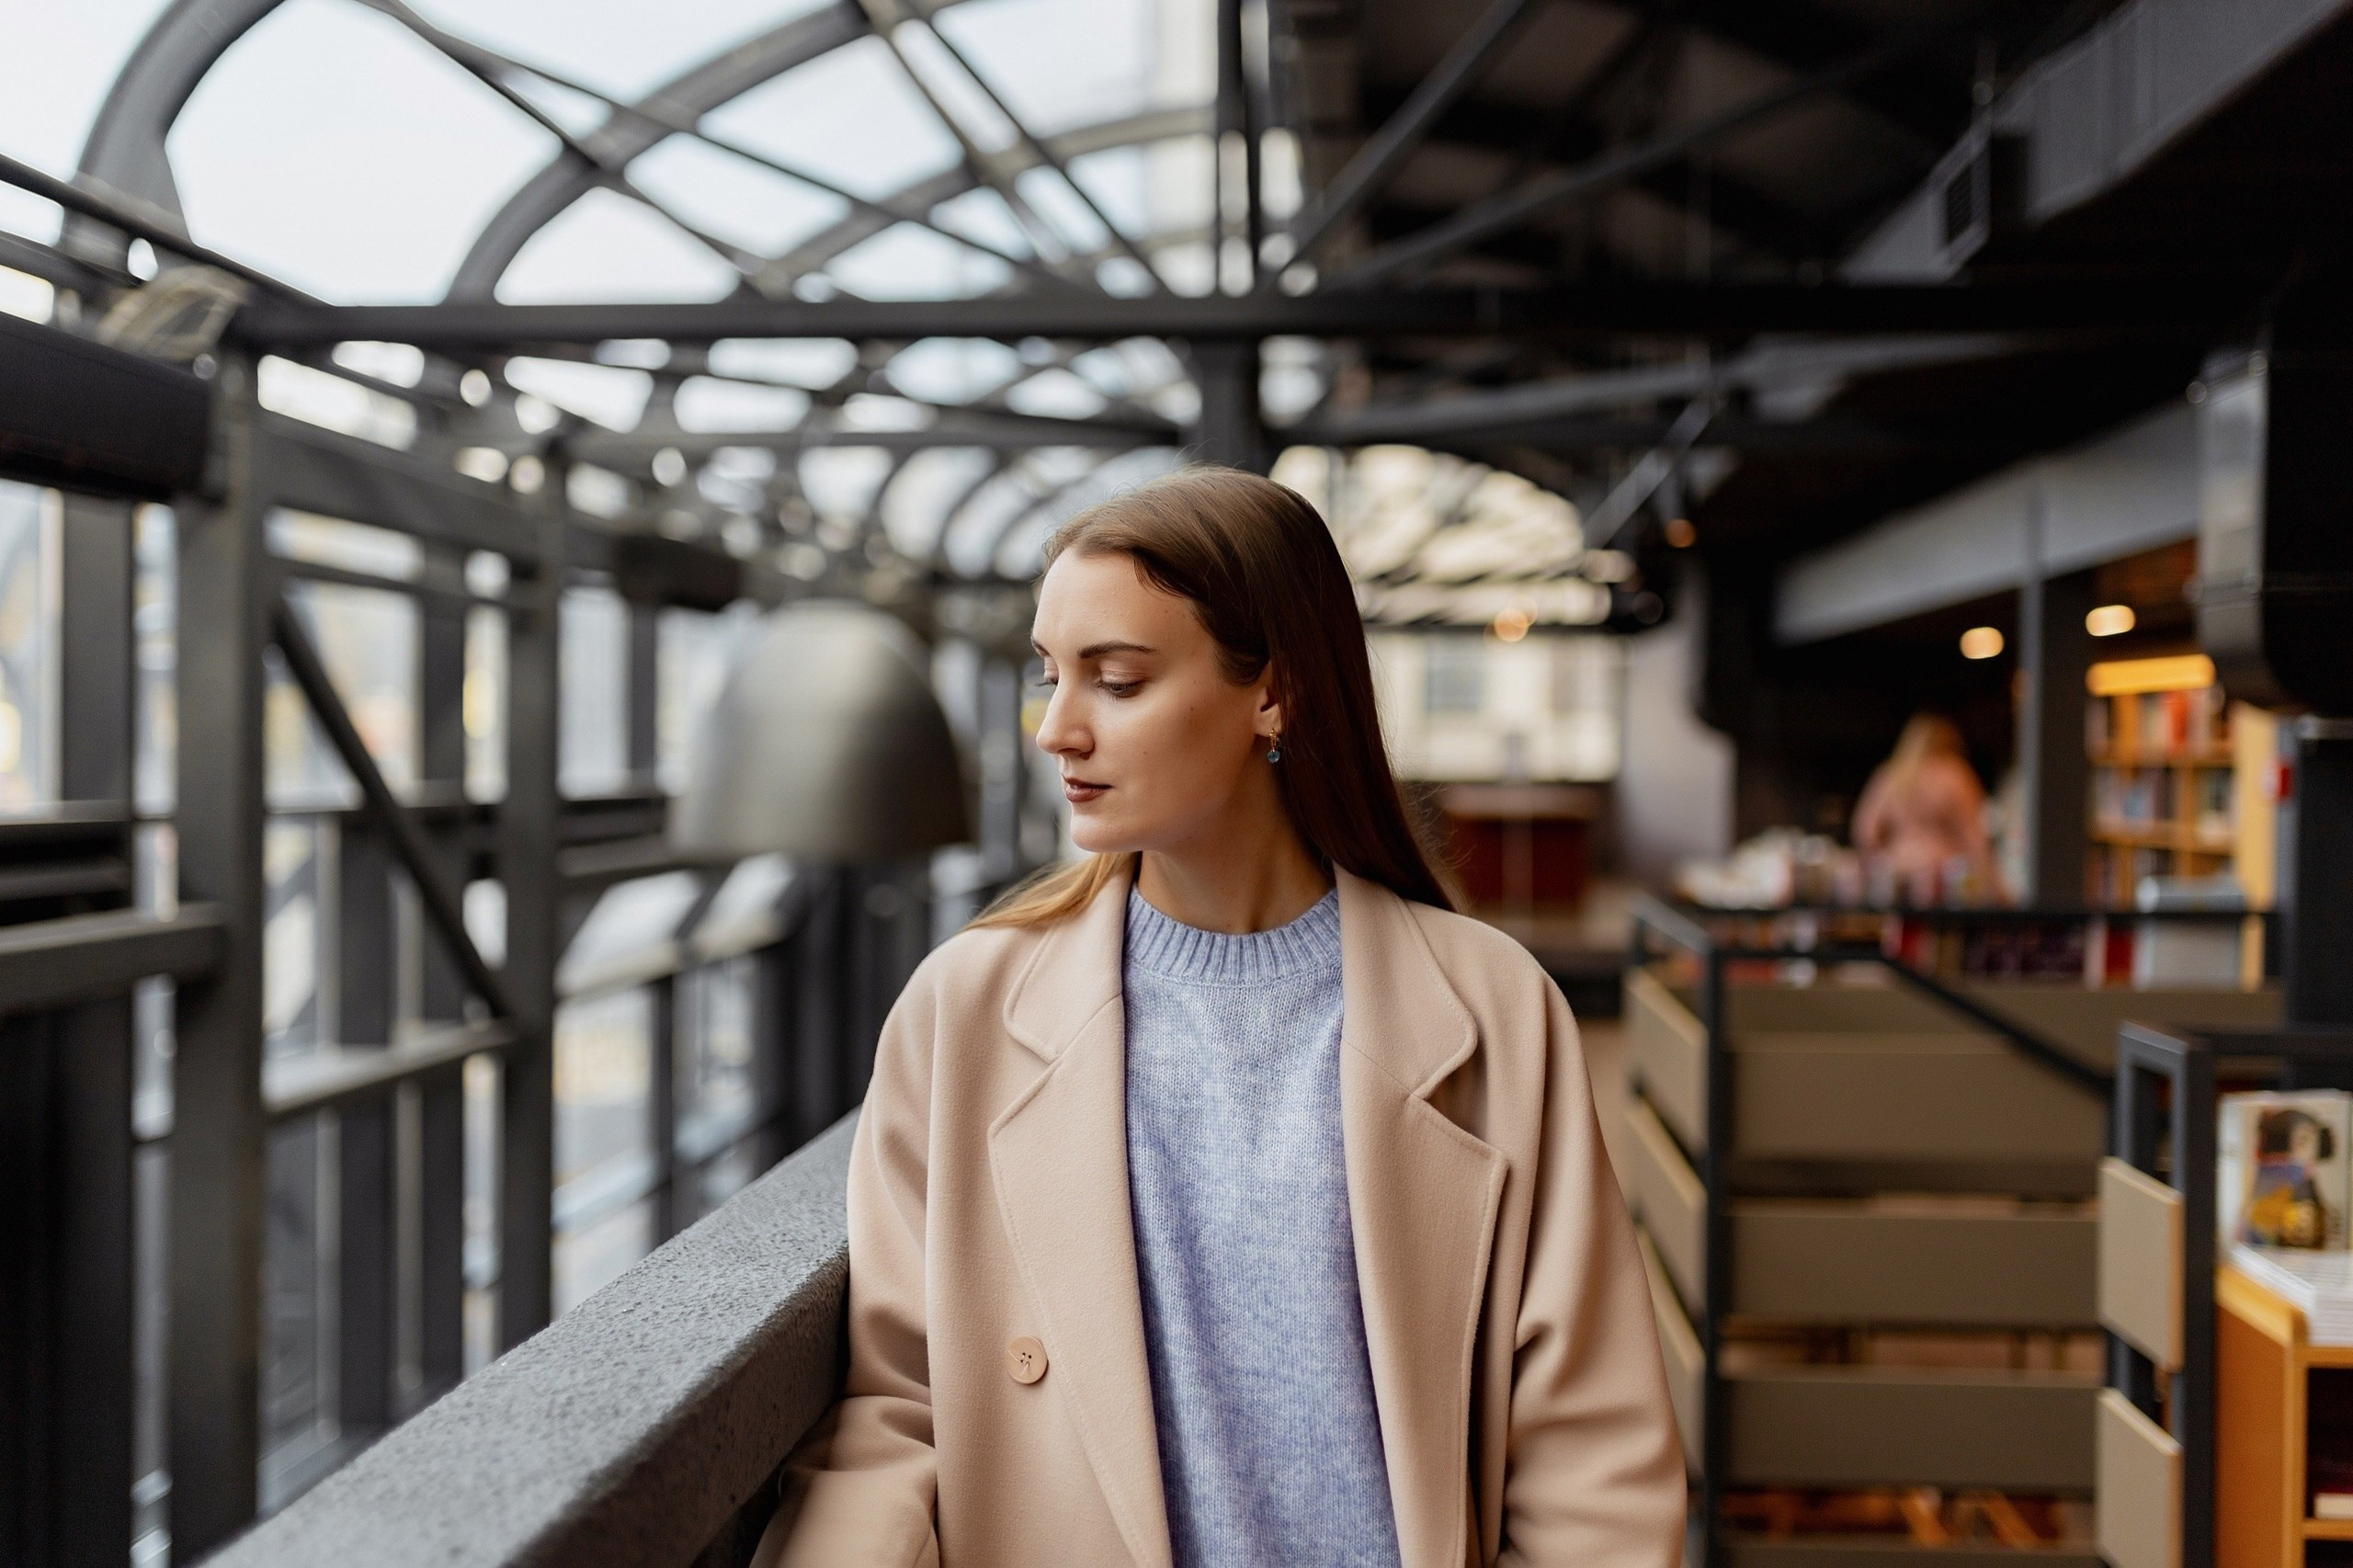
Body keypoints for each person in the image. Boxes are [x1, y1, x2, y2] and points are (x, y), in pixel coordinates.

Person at [757, 468, 1684, 1568]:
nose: (1057, 730)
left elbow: (1592, 1462)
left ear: (1272, 693)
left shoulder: (1492, 1007)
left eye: (1116, 679)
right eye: (1049, 676)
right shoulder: (962, 1013)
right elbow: (895, 1408)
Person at [1850, 713, 1998, 904]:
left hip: (1898, 879)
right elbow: (1975, 839)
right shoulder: (1954, 774)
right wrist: (1995, 885)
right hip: (1942, 881)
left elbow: (1866, 833)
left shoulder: (1892, 775)